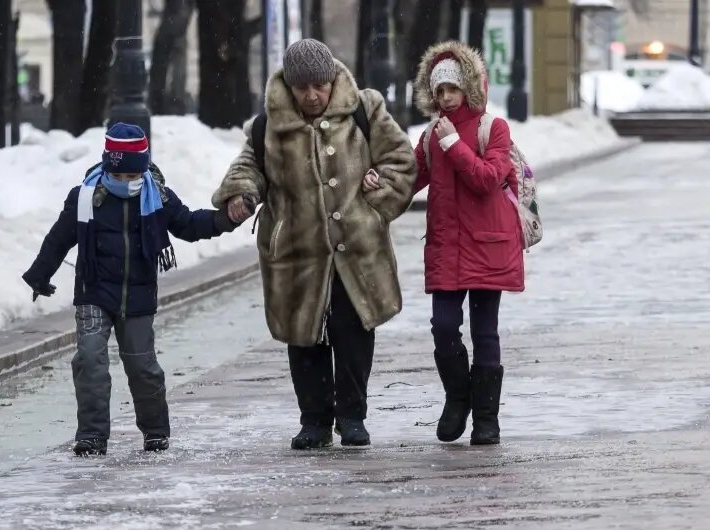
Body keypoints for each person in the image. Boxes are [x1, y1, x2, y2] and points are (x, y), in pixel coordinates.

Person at [213, 39, 416, 450]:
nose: (311, 95)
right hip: (296, 250)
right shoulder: (267, 125)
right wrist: (242, 193)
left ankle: (352, 416)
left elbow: (401, 160)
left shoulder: (365, 109)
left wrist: (375, 206)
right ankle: (314, 421)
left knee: (352, 328)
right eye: (302, 87)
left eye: (319, 86)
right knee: (304, 335)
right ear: (289, 86)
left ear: (331, 80)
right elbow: (248, 165)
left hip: (356, 246)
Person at [22, 123, 246, 456]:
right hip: (94, 293)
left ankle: (155, 430)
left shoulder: (157, 196)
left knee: (143, 368)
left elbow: (188, 224)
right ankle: (92, 434)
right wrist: (39, 275)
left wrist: (225, 219)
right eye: (121, 176)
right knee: (89, 361)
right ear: (109, 167)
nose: (128, 183)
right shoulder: (85, 198)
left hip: (138, 297)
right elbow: (58, 239)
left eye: (134, 176)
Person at [413, 41, 524, 445]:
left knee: (485, 331)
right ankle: (458, 398)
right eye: (439, 90)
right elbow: (408, 178)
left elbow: (486, 179)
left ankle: (487, 420)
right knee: (443, 328)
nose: (445, 98)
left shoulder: (492, 129)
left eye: (452, 89)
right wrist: (376, 182)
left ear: (469, 89)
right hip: (446, 246)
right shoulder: (431, 134)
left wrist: (452, 145)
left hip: (487, 245)